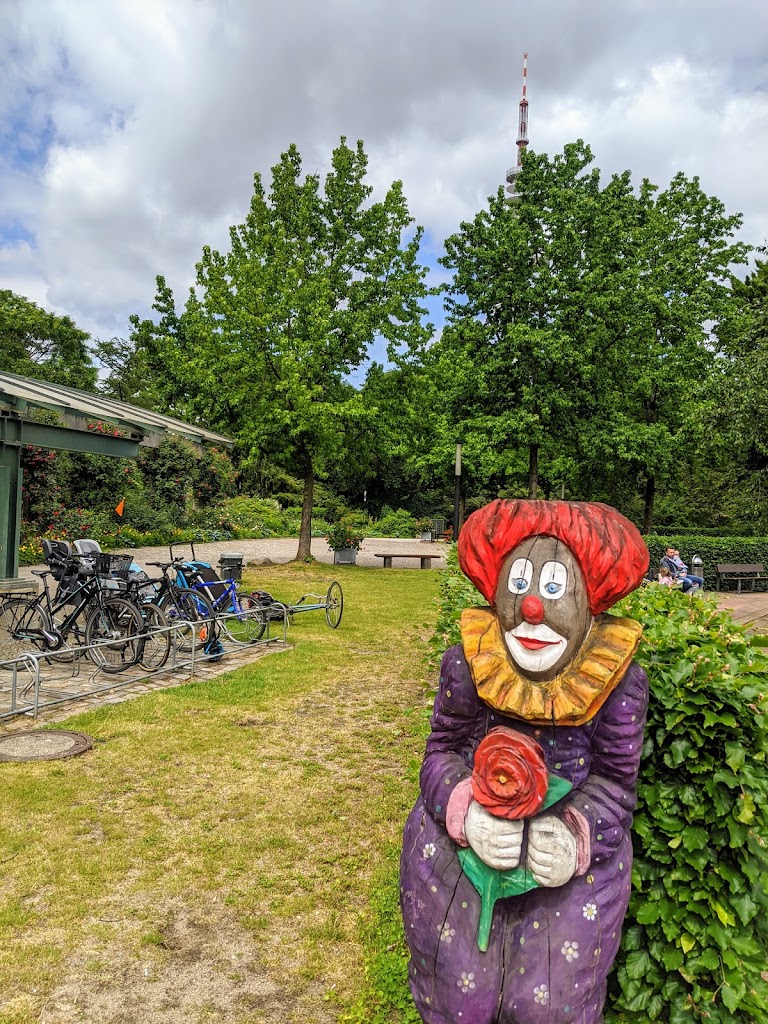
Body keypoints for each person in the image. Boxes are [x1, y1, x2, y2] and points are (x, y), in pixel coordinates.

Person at [401, 499, 650, 1024]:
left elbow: (616, 782)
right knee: (459, 996)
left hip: (562, 872)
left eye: (555, 589)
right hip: (464, 855)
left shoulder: (620, 683)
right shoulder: (469, 665)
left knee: (546, 1005)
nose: (532, 607)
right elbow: (442, 749)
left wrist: (575, 832)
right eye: (519, 585)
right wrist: (463, 807)